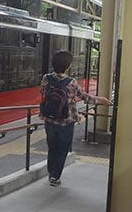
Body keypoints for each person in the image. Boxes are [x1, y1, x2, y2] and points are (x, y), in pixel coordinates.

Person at [40, 50, 112, 186]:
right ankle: (55, 177)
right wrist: (101, 100)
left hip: (49, 120)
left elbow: (43, 93)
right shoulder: (71, 82)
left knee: (52, 148)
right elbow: (86, 98)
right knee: (62, 149)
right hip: (66, 122)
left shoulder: (46, 78)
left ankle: (51, 173)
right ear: (67, 66)